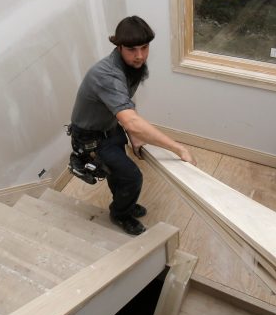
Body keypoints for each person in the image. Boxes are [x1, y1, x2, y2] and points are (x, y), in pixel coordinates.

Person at [69, 16, 195, 235]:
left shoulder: (130, 67)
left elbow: (125, 104)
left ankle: (122, 201)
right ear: (119, 47)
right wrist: (178, 148)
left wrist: (133, 134)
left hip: (110, 127)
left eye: (144, 48)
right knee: (132, 177)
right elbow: (131, 119)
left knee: (117, 173)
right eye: (132, 49)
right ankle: (120, 213)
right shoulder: (106, 74)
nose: (140, 56)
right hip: (90, 139)